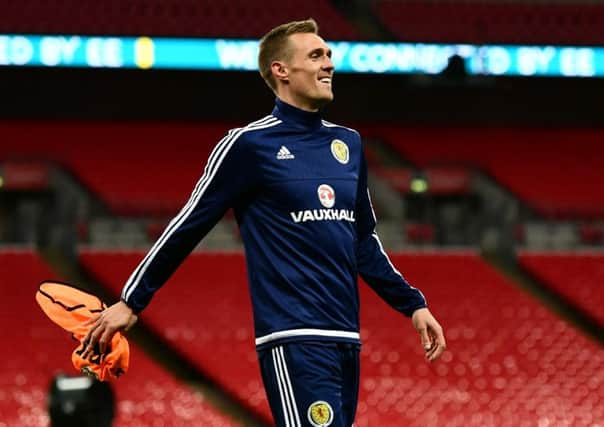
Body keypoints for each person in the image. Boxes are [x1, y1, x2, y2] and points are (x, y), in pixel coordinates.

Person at [82, 18, 446, 427]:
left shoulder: (350, 144)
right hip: (292, 338)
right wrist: (132, 300)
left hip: (345, 338)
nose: (329, 63)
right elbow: (189, 224)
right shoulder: (248, 145)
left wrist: (412, 304)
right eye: (315, 55)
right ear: (281, 71)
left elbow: (362, 240)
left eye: (329, 54)